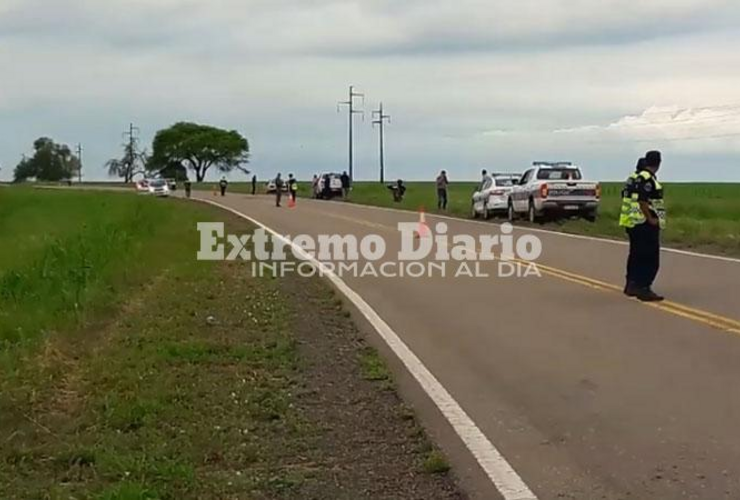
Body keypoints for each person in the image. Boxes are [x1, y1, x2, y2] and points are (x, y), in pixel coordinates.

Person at [619, 151, 666, 302]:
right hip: (644, 223)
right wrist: (651, 219)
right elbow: (643, 200)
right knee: (649, 257)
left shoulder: (633, 179)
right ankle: (643, 287)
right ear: (658, 162)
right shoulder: (647, 180)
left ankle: (632, 284)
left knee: (636, 255)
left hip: (633, 221)